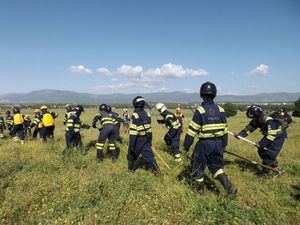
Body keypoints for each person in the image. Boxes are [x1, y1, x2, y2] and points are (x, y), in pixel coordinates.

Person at [183, 82, 237, 199]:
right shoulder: (221, 110)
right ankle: (230, 187)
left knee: (197, 167)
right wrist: (223, 145)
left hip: (204, 144)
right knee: (217, 168)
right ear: (214, 94)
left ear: (202, 94)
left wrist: (186, 146)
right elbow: (225, 130)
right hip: (218, 143)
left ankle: (199, 193)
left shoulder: (200, 110)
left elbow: (192, 131)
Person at [235, 105, 287, 177]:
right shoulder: (256, 120)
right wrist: (240, 135)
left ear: (258, 115)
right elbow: (248, 129)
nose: (253, 119)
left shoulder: (269, 120)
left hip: (278, 136)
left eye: (253, 117)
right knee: (261, 150)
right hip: (270, 135)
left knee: (268, 153)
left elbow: (272, 135)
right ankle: (275, 166)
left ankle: (265, 173)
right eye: (251, 118)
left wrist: (261, 143)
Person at [127, 96, 161, 175]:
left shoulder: (135, 115)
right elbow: (149, 129)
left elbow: (133, 132)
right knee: (149, 157)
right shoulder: (148, 114)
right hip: (146, 139)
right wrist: (149, 141)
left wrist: (131, 145)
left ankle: (130, 171)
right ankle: (158, 173)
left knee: (131, 156)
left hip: (137, 140)